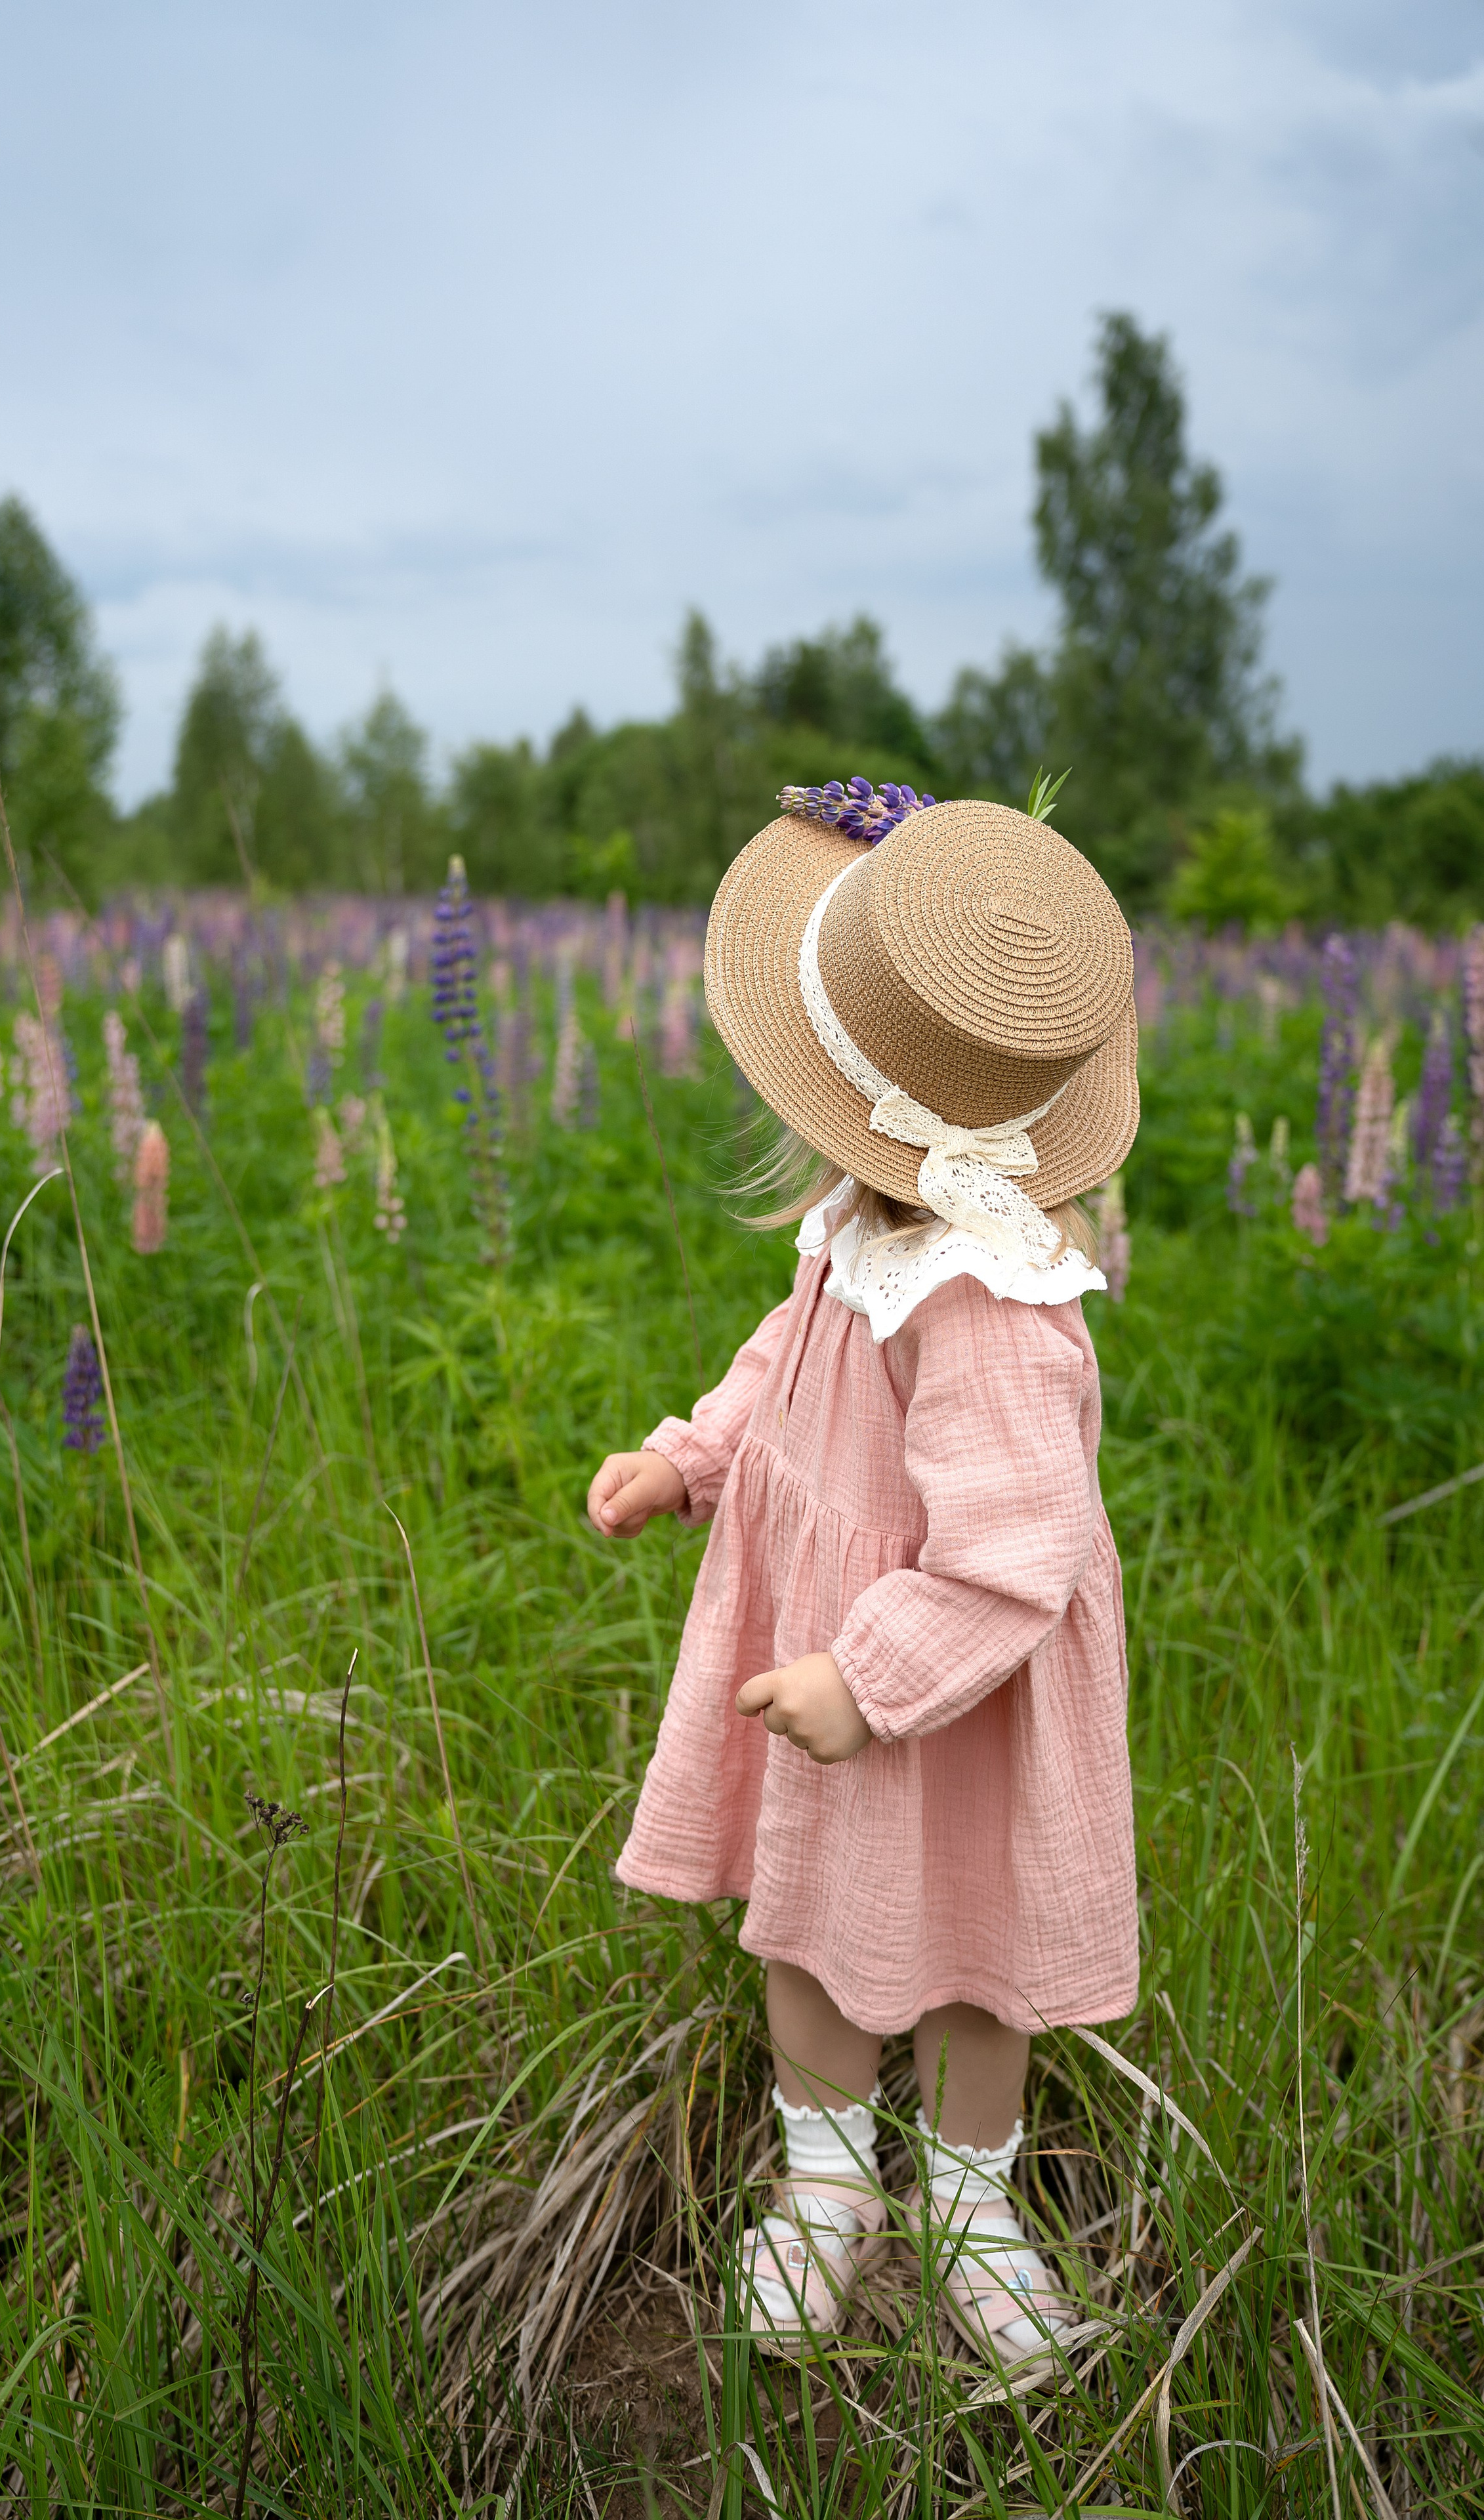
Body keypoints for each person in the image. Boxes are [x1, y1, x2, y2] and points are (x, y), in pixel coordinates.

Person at [586, 784, 1140, 2371]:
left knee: (975, 1957)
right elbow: (785, 1361)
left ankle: (971, 2204)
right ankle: (824, 2184)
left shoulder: (991, 1304)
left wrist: (869, 1679)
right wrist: (692, 1458)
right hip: (834, 1654)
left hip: (954, 1691)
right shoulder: (859, 1222)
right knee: (805, 1925)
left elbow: (1015, 1552)